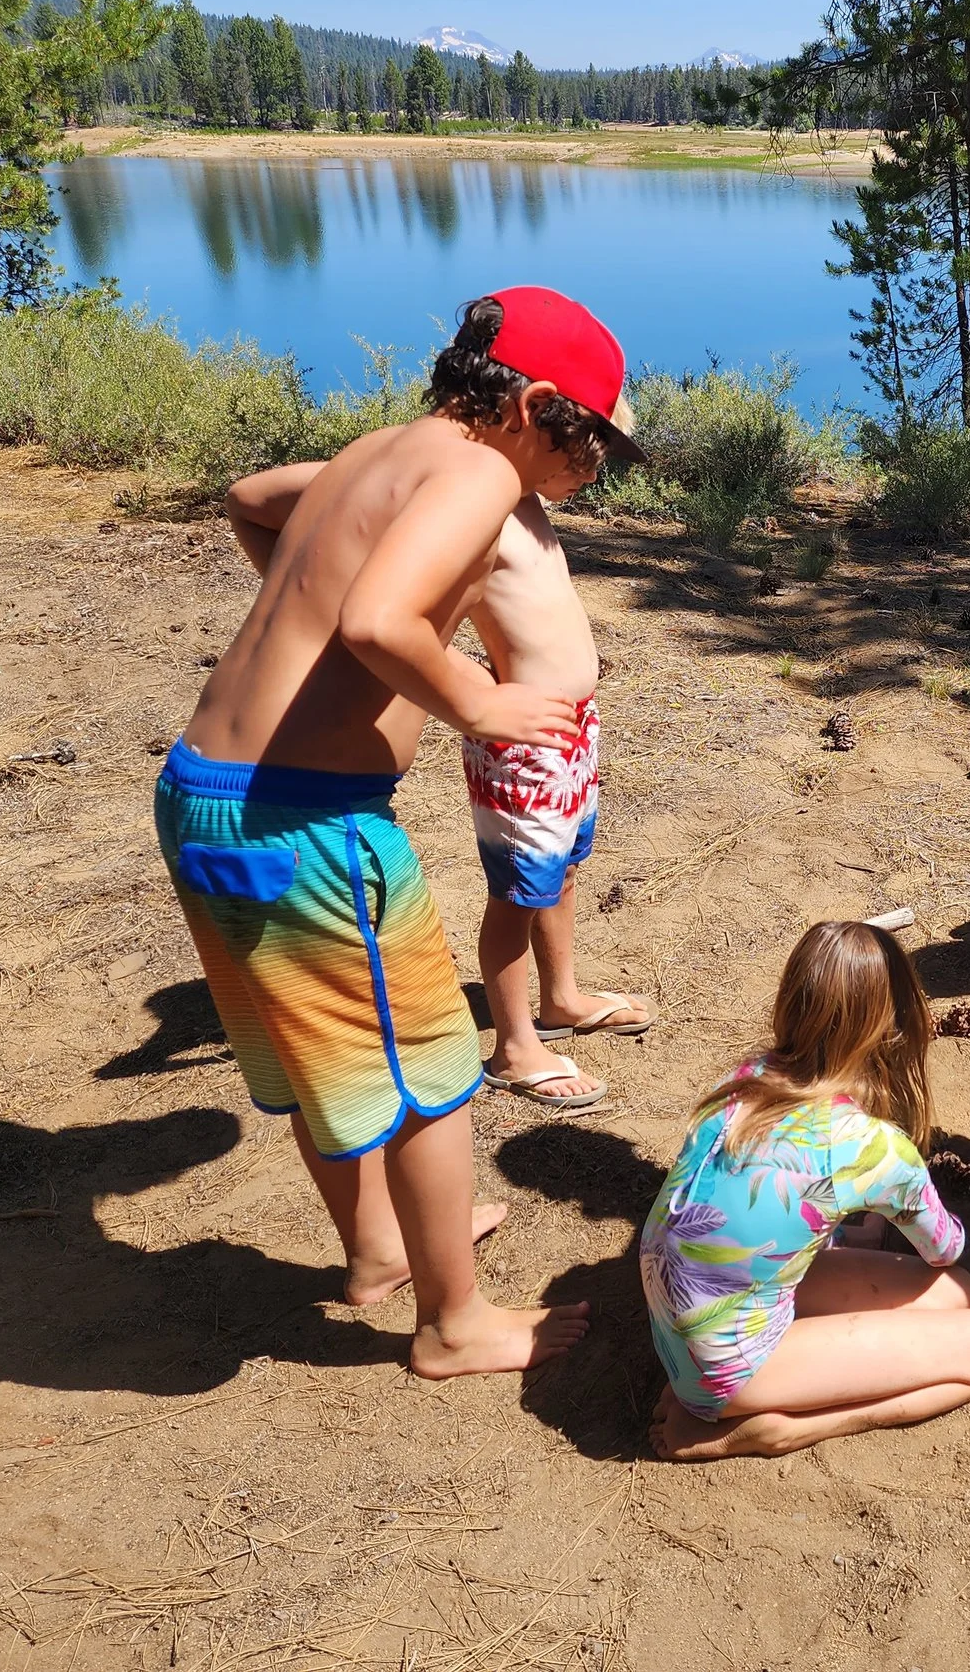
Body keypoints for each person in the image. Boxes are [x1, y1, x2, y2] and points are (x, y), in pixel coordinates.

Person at [157, 284, 641, 1377]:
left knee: (314, 1054)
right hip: (306, 823)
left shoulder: (383, 447)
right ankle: (452, 1324)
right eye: (583, 437)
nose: (588, 466)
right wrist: (479, 700)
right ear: (526, 403)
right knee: (427, 1064)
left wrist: (319, 627)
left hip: (201, 792)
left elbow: (250, 500)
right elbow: (383, 618)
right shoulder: (477, 468)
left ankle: (379, 1246)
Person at [226, 411, 653, 1117]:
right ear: (535, 427)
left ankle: (561, 997)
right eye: (587, 451)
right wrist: (461, 678)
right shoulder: (462, 499)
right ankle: (515, 1045)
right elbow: (252, 498)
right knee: (519, 890)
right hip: (521, 738)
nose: (594, 470)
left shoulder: (521, 497)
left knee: (563, 868)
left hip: (572, 728)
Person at [641, 921, 970, 1460]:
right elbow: (943, 1248)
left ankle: (718, 1386)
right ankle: (779, 1427)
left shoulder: (744, 1077)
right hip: (726, 1363)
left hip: (676, 1321)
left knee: (960, 1292)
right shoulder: (873, 1148)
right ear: (891, 1025)